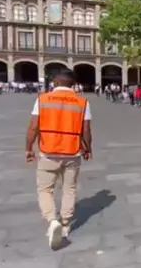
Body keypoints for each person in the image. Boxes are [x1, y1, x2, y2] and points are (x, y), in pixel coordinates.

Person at [24, 69, 92, 250]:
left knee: (45, 189)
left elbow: (33, 127)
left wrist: (28, 148)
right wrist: (88, 148)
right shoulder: (82, 101)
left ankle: (52, 220)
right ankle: (66, 223)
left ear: (54, 82)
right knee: (69, 189)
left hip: (48, 151)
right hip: (72, 151)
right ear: (73, 84)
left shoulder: (42, 99)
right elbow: (86, 129)